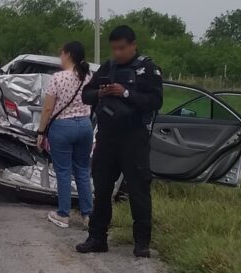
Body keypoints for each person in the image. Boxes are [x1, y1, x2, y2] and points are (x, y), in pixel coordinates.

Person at [76, 25, 163, 258]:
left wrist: (124, 93)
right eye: (114, 49)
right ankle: (97, 238)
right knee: (102, 189)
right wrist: (102, 93)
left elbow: (155, 101)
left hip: (134, 137)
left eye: (122, 48)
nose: (117, 53)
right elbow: (86, 94)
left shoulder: (147, 68)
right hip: (107, 137)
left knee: (138, 190)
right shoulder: (109, 66)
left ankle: (142, 243)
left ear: (133, 45)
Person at [36, 41, 92, 229]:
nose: (60, 56)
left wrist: (41, 131)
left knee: (63, 171)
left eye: (61, 53)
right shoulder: (88, 76)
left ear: (68, 54)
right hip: (85, 125)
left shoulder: (58, 78)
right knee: (83, 170)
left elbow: (48, 108)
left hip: (62, 128)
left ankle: (63, 213)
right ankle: (88, 214)